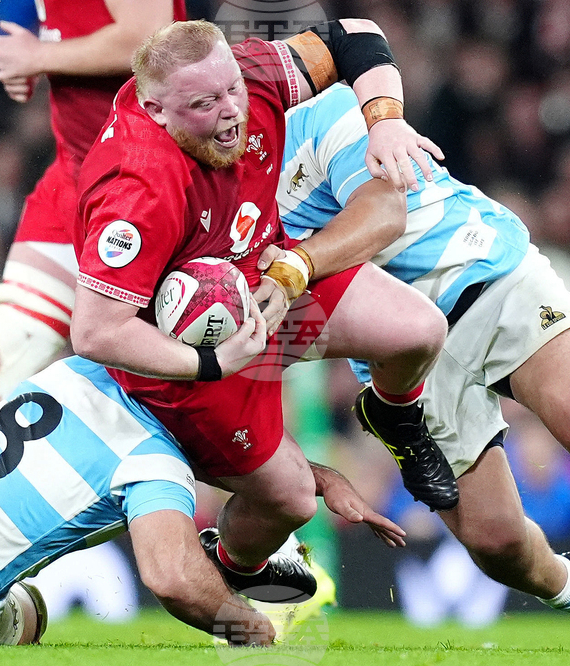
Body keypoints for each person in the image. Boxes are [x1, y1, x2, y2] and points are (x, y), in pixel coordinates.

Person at [276, 83, 570, 654]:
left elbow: (381, 212)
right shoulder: (220, 204)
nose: (228, 116)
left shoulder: (326, 114)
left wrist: (293, 262)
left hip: (487, 269)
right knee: (495, 540)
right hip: (402, 349)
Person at [71, 18, 458, 600]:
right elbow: (96, 333)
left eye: (232, 90)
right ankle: (236, 562)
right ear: (156, 112)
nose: (231, 111)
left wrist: (386, 123)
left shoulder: (252, 74)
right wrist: (211, 363)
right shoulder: (139, 186)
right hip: (191, 354)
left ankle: (395, 418)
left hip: (263, 278)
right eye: (205, 103)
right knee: (294, 500)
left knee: (417, 329)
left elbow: (355, 34)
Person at [0, 353, 404, 646]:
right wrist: (250, 627)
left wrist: (312, 474)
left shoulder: (79, 367)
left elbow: (210, 444)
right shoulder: (154, 458)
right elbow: (174, 577)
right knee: (27, 619)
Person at [0, 0, 186, 417]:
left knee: (162, 400)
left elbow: (149, 40)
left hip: (146, 183)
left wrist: (39, 55)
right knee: (1, 355)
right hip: (75, 176)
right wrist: (40, 63)